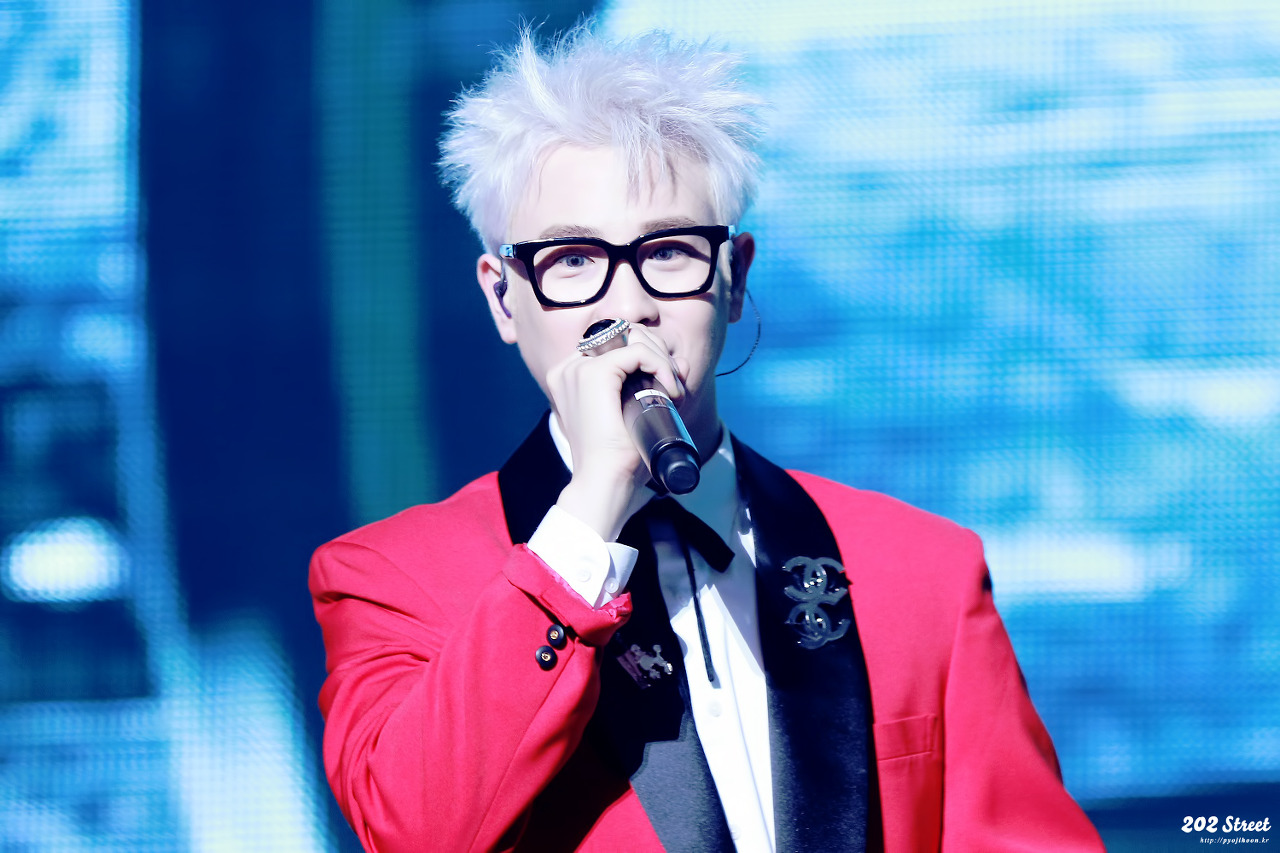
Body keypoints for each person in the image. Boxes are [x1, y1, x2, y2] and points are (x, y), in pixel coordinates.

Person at [310, 25, 1105, 853]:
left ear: (734, 278)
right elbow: (415, 829)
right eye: (573, 259)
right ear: (504, 298)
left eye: (667, 251)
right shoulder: (389, 579)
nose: (628, 307)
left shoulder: (923, 570)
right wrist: (588, 515)